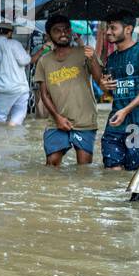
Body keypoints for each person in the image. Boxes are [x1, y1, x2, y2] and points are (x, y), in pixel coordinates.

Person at [32, 15, 102, 166]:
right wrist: (58, 118)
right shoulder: (44, 61)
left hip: (84, 120)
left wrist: (93, 58)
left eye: (66, 29)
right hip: (56, 121)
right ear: (48, 35)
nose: (63, 33)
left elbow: (99, 80)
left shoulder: (84, 52)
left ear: (71, 31)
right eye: (57, 30)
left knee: (84, 168)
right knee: (52, 163)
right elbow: (44, 94)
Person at [99, 13, 139, 171]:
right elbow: (110, 94)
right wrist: (104, 87)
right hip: (116, 126)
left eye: (113, 28)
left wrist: (125, 110)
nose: (108, 32)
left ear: (128, 29)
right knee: (112, 172)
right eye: (107, 28)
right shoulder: (111, 59)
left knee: (136, 175)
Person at [0, 23, 32, 126]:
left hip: (0, 89)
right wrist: (26, 53)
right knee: (18, 115)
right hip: (19, 88)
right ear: (9, 33)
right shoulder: (14, 44)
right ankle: (12, 132)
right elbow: (25, 61)